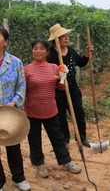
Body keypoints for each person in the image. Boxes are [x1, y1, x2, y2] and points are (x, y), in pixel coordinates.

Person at [24, 39, 81, 179]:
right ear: (32, 51)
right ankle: (39, 164)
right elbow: (22, 90)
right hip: (32, 110)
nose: (38, 51)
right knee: (34, 139)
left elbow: (60, 87)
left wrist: (63, 77)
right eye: (35, 48)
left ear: (47, 52)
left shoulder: (54, 67)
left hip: (50, 109)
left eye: (41, 48)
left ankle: (66, 161)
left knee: (58, 137)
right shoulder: (26, 69)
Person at [47, 23, 93, 148]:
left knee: (79, 112)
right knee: (61, 115)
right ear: (56, 39)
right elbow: (47, 73)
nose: (67, 38)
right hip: (58, 90)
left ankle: (82, 137)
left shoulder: (71, 51)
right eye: (64, 36)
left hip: (72, 88)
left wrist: (86, 56)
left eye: (67, 36)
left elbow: (81, 63)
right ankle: (65, 139)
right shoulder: (50, 54)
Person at [0, 27, 31, 191]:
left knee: (13, 146)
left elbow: (21, 87)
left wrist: (13, 103)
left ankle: (19, 178)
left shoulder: (15, 62)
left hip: (10, 112)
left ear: (6, 42)